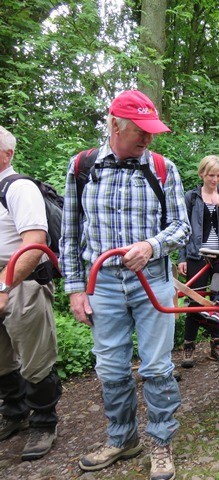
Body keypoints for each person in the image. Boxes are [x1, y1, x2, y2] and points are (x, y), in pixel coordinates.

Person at [59, 90, 191, 480]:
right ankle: (122, 439)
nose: (149, 138)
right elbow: (69, 234)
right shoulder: (82, 167)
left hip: (152, 281)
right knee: (111, 368)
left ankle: (161, 443)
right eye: (141, 130)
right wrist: (75, 289)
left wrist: (151, 247)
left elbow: (182, 228)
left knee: (156, 366)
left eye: (152, 131)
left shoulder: (163, 169)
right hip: (104, 285)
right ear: (115, 124)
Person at [0, 126, 62, 461]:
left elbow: (34, 243)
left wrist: (2, 285)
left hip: (20, 280)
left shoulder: (18, 188)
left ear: (6, 154)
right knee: (2, 357)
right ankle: (14, 413)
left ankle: (44, 421)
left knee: (35, 355)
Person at [177, 155, 219, 368]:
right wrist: (182, 257)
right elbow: (183, 230)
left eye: (218, 175)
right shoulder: (192, 197)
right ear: (202, 174)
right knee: (195, 301)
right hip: (197, 255)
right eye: (211, 175)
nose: (215, 180)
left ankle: (216, 345)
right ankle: (188, 346)